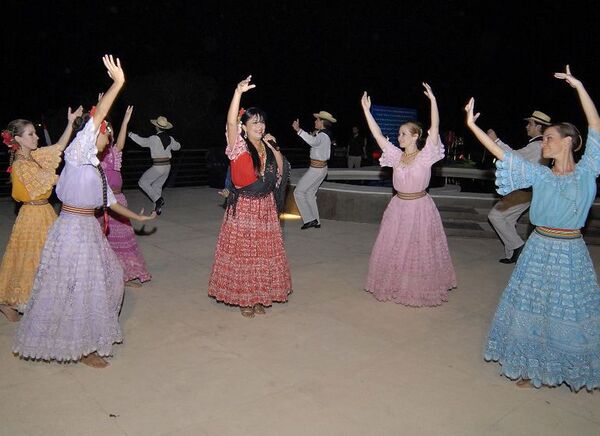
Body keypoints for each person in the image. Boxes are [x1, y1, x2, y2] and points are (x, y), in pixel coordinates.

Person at [14, 55, 156, 368]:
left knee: (110, 277)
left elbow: (112, 203)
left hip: (88, 230)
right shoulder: (79, 154)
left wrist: (141, 218)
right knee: (76, 286)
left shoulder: (95, 169)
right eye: (103, 131)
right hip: (71, 229)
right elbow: (100, 113)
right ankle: (82, 347)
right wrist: (118, 84)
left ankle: (89, 336)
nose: (106, 137)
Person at [465, 66, 600, 391]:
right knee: (534, 306)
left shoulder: (588, 171)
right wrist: (472, 125)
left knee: (568, 310)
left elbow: (595, 123)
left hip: (570, 250)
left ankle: (570, 365)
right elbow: (502, 154)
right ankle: (529, 363)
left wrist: (579, 85)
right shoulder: (539, 175)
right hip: (539, 247)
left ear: (568, 142)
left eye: (549, 138)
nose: (544, 144)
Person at [361, 83, 456, 306]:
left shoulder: (426, 156)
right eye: (399, 134)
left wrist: (433, 101)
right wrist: (366, 110)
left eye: (403, 134)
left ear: (415, 136)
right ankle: (393, 282)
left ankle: (415, 286)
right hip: (397, 206)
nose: (399, 136)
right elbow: (377, 136)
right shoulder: (395, 155)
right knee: (394, 245)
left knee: (418, 247)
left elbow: (435, 125)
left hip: (419, 207)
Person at [208, 75, 292, 318]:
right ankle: (244, 299)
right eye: (254, 122)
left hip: (265, 207)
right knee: (244, 255)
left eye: (262, 122)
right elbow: (230, 123)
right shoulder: (239, 146)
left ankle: (258, 297)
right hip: (244, 207)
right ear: (244, 126)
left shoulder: (267, 145)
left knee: (262, 255)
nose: (260, 126)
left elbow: (280, 170)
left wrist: (274, 147)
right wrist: (237, 93)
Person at [0, 107, 83, 321]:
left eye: (35, 133)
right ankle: (26, 302)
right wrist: (82, 174)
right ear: (18, 139)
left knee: (37, 259)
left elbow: (57, 147)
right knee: (33, 260)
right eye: (31, 134)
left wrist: (70, 123)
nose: (36, 136)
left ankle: (15, 302)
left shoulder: (34, 157)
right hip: (32, 216)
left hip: (44, 211)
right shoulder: (21, 165)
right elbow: (52, 179)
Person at [486, 110, 551, 264]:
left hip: (525, 191)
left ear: (539, 127)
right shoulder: (539, 145)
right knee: (507, 219)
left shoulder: (537, 146)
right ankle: (512, 253)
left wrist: (496, 141)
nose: (527, 126)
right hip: (530, 191)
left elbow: (513, 158)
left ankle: (518, 246)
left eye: (530, 124)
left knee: (495, 216)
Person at [98, 105, 152, 287]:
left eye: (111, 132)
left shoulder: (113, 152)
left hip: (119, 200)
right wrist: (101, 111)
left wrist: (126, 122)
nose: (110, 134)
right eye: (107, 131)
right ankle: (108, 276)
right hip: (102, 203)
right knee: (104, 241)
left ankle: (125, 275)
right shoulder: (93, 155)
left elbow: (120, 143)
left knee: (124, 239)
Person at [292, 110, 336, 229]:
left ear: (322, 122)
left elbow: (314, 142)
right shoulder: (323, 134)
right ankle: (316, 220)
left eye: (317, 120)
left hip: (316, 169)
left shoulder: (322, 135)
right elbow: (316, 143)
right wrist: (312, 136)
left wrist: (299, 130)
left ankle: (310, 219)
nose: (315, 121)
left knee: (298, 192)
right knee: (310, 193)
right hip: (321, 169)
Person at [128, 115, 181, 215]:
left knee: (142, 182)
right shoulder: (170, 138)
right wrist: (176, 142)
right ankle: (157, 210)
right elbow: (177, 147)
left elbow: (142, 142)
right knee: (157, 186)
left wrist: (130, 134)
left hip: (158, 166)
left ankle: (158, 199)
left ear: (156, 127)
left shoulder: (154, 138)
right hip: (167, 167)